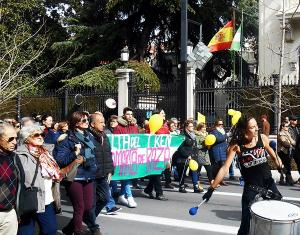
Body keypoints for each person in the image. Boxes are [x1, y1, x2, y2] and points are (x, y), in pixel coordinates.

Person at [202, 115, 283, 235]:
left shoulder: (262, 138)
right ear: (245, 129)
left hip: (269, 185)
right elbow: (224, 168)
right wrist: (212, 188)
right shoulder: (236, 146)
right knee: (246, 225)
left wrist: (280, 165)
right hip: (251, 189)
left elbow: (273, 156)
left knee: (277, 220)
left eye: (257, 126)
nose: (256, 129)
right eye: (252, 127)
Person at [53, 111, 100, 235]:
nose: (87, 123)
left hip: (89, 174)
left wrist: (86, 159)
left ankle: (68, 229)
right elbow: (60, 160)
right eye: (84, 120)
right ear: (76, 123)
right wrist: (74, 153)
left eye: (87, 120)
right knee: (79, 207)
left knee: (88, 207)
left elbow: (94, 155)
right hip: (75, 176)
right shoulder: (67, 139)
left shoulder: (89, 136)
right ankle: (77, 231)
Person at [17, 125, 62, 235]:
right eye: (36, 135)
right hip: (28, 200)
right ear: (27, 138)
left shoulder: (47, 153)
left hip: (46, 199)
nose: (41, 137)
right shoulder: (19, 155)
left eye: (42, 134)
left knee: (50, 229)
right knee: (25, 232)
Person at [0, 123, 22, 235]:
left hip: (10, 212)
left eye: (16, 138)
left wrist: (17, 212)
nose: (14, 142)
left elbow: (20, 184)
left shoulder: (14, 157)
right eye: (11, 138)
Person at [113, 107, 138, 207]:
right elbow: (116, 142)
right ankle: (130, 197)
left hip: (131, 155)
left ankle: (121, 196)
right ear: (124, 115)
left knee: (127, 176)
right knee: (126, 176)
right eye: (128, 114)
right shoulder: (118, 127)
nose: (130, 116)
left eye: (131, 114)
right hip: (122, 156)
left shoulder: (135, 127)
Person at [144, 109, 168, 200]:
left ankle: (148, 189)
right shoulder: (150, 126)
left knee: (157, 173)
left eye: (163, 112)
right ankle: (159, 193)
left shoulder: (165, 126)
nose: (164, 114)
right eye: (162, 113)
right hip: (153, 153)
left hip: (162, 153)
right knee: (156, 173)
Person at [172, 120, 202, 193]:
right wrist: (187, 155)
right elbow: (180, 148)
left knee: (194, 171)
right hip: (184, 157)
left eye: (192, 126)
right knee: (182, 173)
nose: (192, 127)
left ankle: (195, 187)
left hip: (193, 156)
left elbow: (194, 145)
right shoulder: (182, 135)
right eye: (190, 126)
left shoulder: (192, 135)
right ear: (186, 127)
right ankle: (181, 186)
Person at [209, 118, 229, 186]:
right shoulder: (214, 131)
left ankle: (220, 180)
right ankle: (215, 179)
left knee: (222, 166)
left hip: (223, 150)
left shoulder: (222, 130)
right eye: (219, 124)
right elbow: (218, 139)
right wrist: (226, 135)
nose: (221, 125)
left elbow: (224, 139)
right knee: (217, 166)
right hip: (217, 150)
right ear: (216, 124)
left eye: (222, 124)